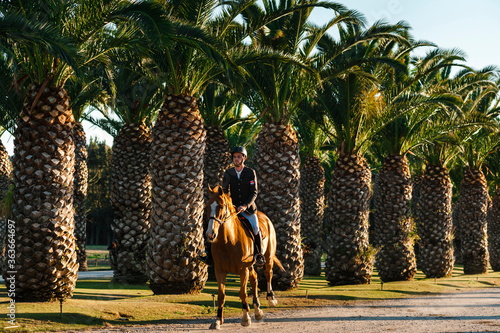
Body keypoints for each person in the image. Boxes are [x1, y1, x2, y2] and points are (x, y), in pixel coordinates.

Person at [198, 146, 266, 267]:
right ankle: (208, 254)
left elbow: (254, 192)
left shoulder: (250, 173)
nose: (236, 159)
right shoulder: (228, 173)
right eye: (234, 157)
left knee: (255, 228)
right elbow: (224, 190)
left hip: (248, 210)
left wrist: (245, 205)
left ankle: (258, 255)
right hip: (232, 210)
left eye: (239, 157)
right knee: (213, 224)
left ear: (244, 158)